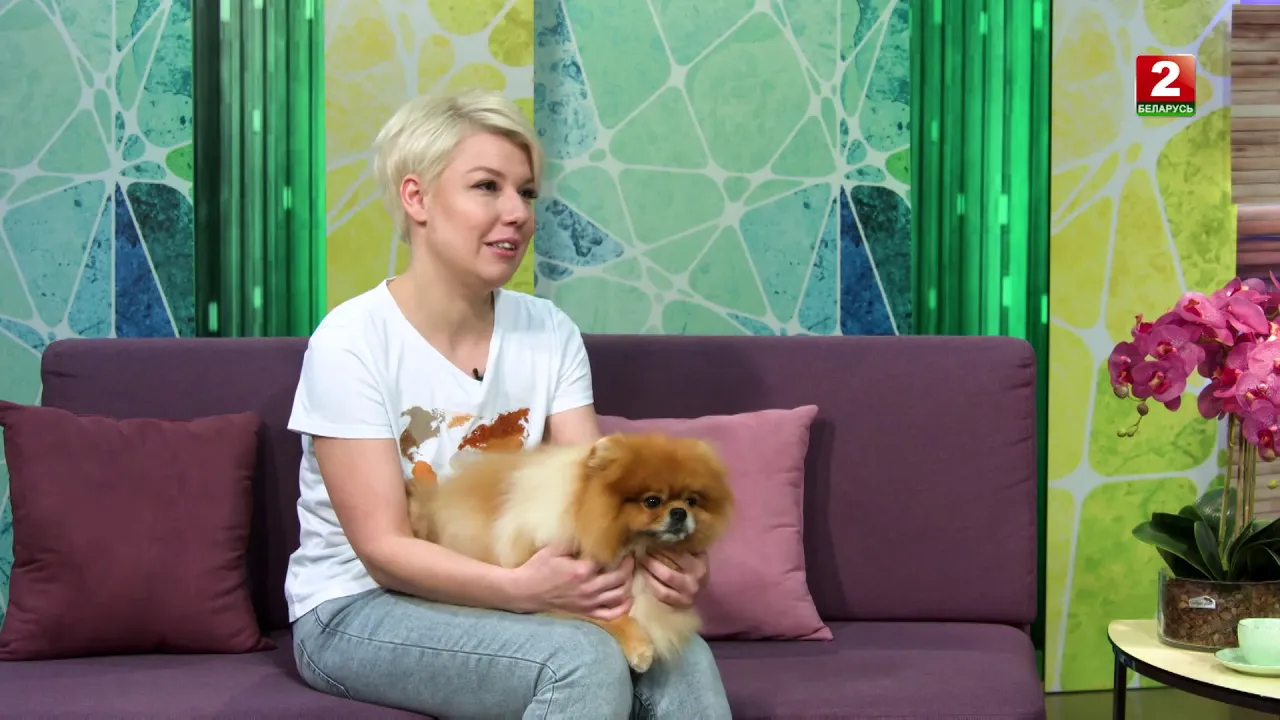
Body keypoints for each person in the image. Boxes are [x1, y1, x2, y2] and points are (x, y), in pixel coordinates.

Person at [284, 89, 732, 719]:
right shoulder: (351, 341)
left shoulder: (549, 331)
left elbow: (595, 494)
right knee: (579, 658)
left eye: (526, 193)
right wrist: (519, 590)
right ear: (416, 198)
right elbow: (383, 548)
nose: (518, 213)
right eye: (487, 187)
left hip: (506, 588)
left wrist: (672, 565)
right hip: (356, 606)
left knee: (683, 657)